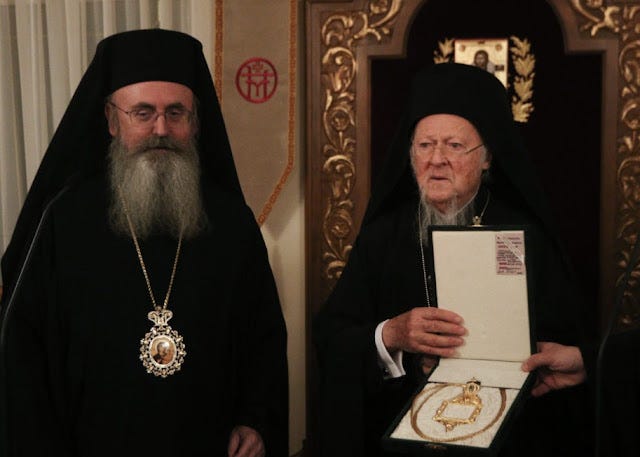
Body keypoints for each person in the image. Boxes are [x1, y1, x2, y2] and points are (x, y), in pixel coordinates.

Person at [0, 29, 288, 457]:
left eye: (176, 113)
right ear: (112, 120)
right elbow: (23, 348)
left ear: (195, 122)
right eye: (143, 113)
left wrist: (256, 418)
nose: (161, 129)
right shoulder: (64, 219)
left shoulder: (231, 222)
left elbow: (263, 335)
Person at [313, 63, 587, 457]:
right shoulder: (384, 235)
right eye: (424, 145)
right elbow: (332, 335)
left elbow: (567, 344)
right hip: (403, 435)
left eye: (455, 146)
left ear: (487, 157)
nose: (436, 159)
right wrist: (391, 335)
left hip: (509, 436)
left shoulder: (527, 235)